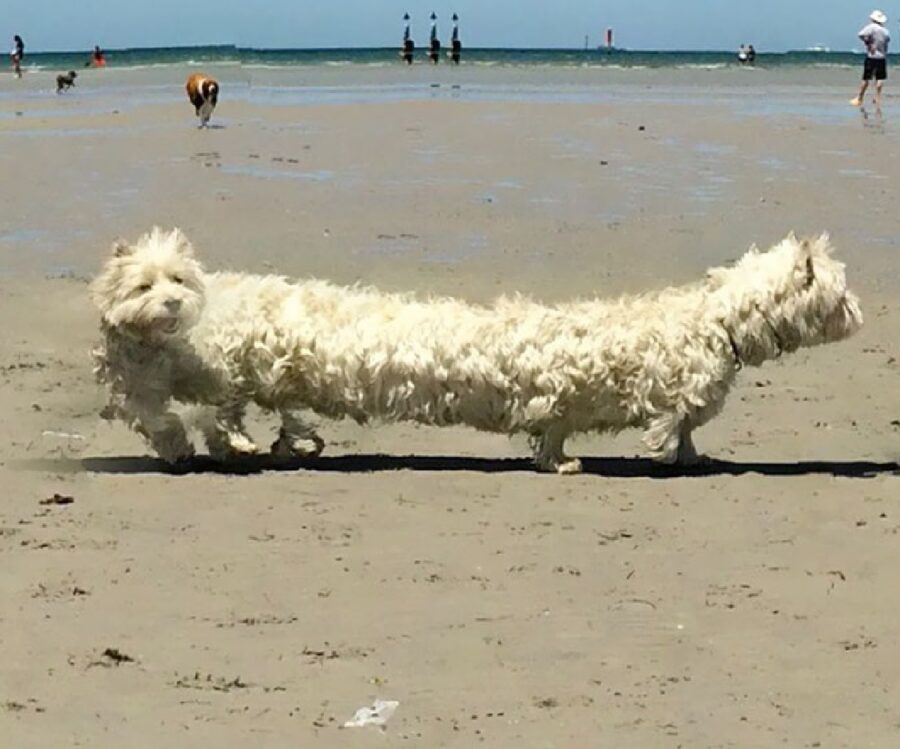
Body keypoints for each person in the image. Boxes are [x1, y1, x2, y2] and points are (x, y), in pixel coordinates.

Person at [851, 10, 890, 108]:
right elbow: (887, 41)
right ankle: (877, 98)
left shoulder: (872, 27)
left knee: (866, 78)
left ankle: (860, 98)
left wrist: (868, 43)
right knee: (880, 79)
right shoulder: (885, 31)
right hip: (882, 57)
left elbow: (860, 34)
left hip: (872, 56)